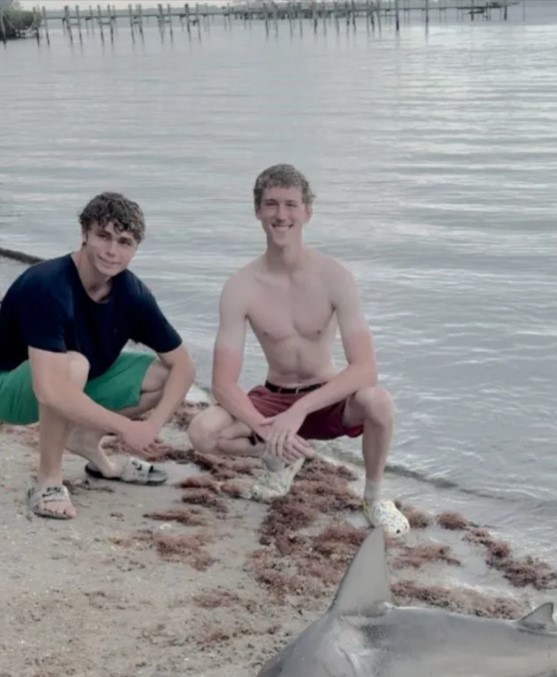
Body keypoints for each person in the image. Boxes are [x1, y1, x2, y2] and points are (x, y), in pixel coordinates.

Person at [187, 164, 410, 536]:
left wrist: (301, 411)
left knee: (379, 401)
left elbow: (365, 368)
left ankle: (373, 498)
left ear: (308, 211)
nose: (281, 215)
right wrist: (266, 428)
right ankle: (280, 455)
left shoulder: (335, 277)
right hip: (273, 401)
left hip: (327, 398)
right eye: (271, 204)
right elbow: (224, 384)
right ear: (257, 211)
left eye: (291, 204)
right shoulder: (241, 287)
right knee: (201, 432)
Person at [0, 192, 196, 520]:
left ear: (135, 249)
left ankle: (85, 441)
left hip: (70, 382)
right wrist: (124, 427)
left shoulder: (132, 294)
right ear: (84, 234)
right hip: (9, 387)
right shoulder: (47, 286)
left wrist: (151, 426)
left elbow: (184, 366)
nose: (111, 251)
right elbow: (49, 389)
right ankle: (48, 480)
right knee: (73, 366)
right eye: (103, 236)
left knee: (164, 377)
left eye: (124, 241)